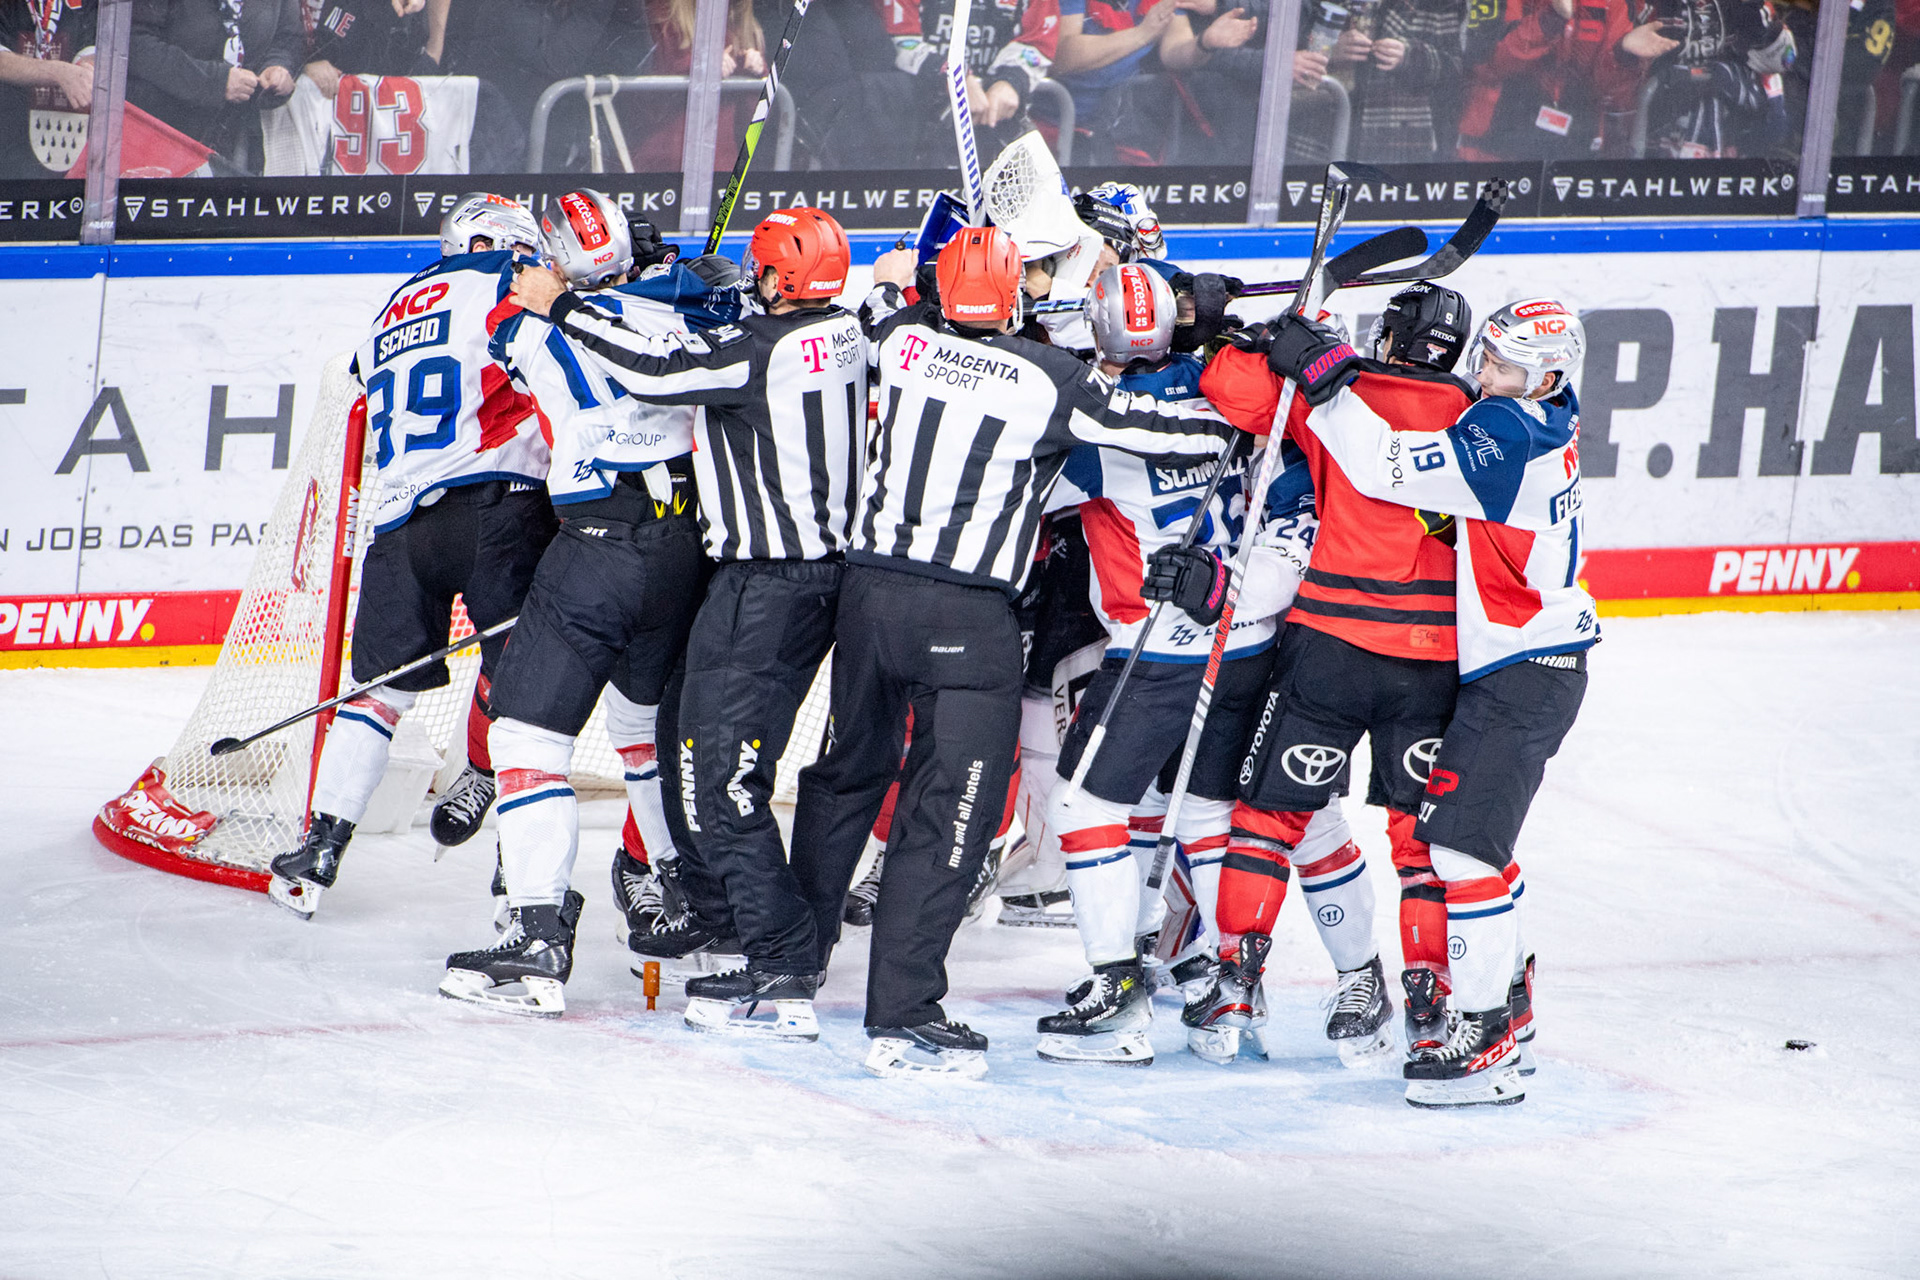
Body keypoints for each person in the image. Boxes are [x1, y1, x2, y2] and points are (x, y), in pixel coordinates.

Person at [787, 226, 1235, 1079]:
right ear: (1018, 300)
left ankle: (787, 968)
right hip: (967, 614)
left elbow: (885, 300)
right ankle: (905, 1015)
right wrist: (1205, 340)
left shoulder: (897, 339)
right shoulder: (1055, 379)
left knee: (845, 778)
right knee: (950, 812)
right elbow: (1182, 436)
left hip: (868, 600)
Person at [510, 207, 866, 1042]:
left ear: (781, 282)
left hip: (767, 589)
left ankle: (778, 962)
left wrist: (561, 304)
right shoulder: (847, 330)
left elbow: (654, 371)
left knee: (718, 781)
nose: (753, 280)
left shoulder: (755, 353)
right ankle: (730, 920)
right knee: (686, 748)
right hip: (804, 581)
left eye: (762, 272)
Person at [1280, 297, 1595, 1107]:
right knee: (1471, 846)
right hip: (1527, 666)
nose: (1481, 377)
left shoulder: (1509, 434)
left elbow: (1382, 464)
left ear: (1548, 377)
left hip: (1526, 670)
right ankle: (1510, 1007)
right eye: (1484, 358)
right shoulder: (1537, 415)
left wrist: (1326, 384)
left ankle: (1486, 1034)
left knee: (1460, 854)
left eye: (1501, 368)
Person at [437, 191, 726, 1019]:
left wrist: (542, 279)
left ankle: (534, 936)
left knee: (528, 735)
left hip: (596, 549)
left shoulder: (526, 320)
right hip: (681, 548)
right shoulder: (682, 308)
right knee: (643, 730)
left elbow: (504, 319)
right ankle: (687, 896)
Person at [1031, 263, 1317, 1067]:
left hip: (1156, 650)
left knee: (1085, 809)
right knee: (1204, 817)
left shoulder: (1101, 424)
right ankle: (1230, 983)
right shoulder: (1230, 390)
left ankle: (1117, 995)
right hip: (1243, 642)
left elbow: (1031, 490)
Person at [1193, 281, 1478, 1065]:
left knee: (1268, 818)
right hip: (1434, 660)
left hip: (1329, 650)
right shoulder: (1484, 413)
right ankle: (1429, 997)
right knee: (1422, 844)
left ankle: (1236, 976)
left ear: (1389, 337)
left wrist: (1269, 339)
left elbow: (1229, 389)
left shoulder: (1337, 397)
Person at [268, 194, 556, 918]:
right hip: (502, 508)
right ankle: (513, 881)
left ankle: (321, 846)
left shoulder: (395, 302)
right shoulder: (510, 281)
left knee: (376, 694)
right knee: (528, 706)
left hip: (402, 526)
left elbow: (366, 380)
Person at [128, 0, 306, 160]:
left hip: (235, 138)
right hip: (156, 133)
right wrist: (215, 82)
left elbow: (287, 39)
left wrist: (277, 66)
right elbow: (133, 43)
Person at [0, 0, 95, 179]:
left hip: (69, 130)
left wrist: (87, 71)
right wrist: (58, 72)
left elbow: (99, 43)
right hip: (8, 131)